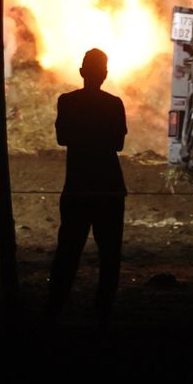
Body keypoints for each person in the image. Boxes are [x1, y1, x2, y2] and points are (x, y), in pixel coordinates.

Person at [49, 47, 128, 321]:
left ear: (82, 72)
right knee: (109, 255)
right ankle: (102, 313)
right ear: (105, 75)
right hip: (109, 186)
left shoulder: (67, 101)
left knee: (68, 251)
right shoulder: (114, 104)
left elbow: (62, 138)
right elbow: (118, 144)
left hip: (78, 185)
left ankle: (55, 309)